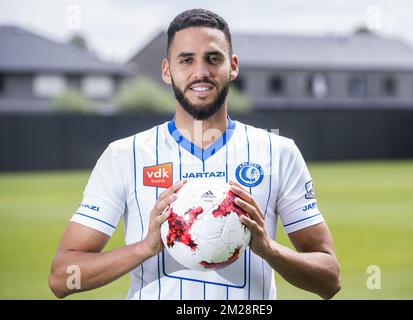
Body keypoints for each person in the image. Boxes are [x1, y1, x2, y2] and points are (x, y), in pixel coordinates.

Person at [49, 8, 341, 300]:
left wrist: (268, 248)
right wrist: (145, 247)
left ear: (233, 66)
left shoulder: (278, 152)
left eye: (213, 59)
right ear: (167, 70)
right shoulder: (125, 155)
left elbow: (330, 279)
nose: (200, 72)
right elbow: (62, 278)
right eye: (186, 59)